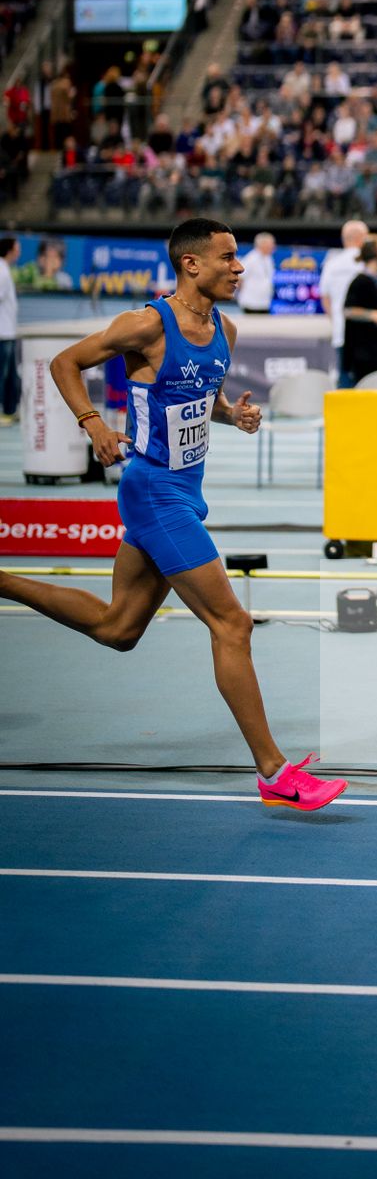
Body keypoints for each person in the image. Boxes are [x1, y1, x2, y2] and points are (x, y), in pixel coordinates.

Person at [0, 218, 348, 811]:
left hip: (185, 491)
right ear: (192, 264)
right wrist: (92, 424)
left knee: (119, 628)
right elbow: (63, 363)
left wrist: (228, 415)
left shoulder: (224, 330)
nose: (239, 267)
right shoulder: (144, 324)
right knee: (232, 624)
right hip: (152, 490)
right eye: (228, 257)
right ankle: (273, 773)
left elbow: (195, 398)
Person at [319, 218, 369, 386]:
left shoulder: (332, 264)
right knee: (369, 381)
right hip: (368, 332)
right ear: (362, 237)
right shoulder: (368, 263)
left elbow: (325, 298)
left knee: (345, 379)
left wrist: (336, 320)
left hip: (342, 330)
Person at [341, 240, 377, 384]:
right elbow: (348, 310)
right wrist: (373, 315)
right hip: (365, 355)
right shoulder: (360, 281)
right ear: (375, 254)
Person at [0, 235, 20, 424]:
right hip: (2, 333)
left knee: (10, 377)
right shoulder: (1, 271)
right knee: (2, 375)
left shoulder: (5, 269)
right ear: (10, 249)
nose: (19, 250)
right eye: (17, 246)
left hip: (8, 331)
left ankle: (9, 410)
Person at [237, 232, 276, 314]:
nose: (273, 246)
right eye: (271, 244)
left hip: (264, 303)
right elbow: (239, 276)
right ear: (262, 244)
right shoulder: (251, 258)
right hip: (251, 303)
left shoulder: (269, 258)